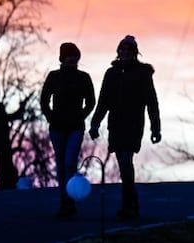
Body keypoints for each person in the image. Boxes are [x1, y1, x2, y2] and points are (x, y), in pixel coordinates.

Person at [89, 34, 161, 219]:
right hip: (116, 124)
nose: (125, 52)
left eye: (129, 50)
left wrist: (155, 128)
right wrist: (95, 123)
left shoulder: (142, 73)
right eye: (123, 49)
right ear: (118, 51)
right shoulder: (111, 73)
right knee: (123, 164)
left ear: (135, 53)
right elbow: (103, 101)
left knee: (126, 162)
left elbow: (152, 102)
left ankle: (130, 203)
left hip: (133, 124)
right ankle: (130, 203)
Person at [40, 42, 95, 218]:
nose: (72, 59)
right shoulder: (54, 77)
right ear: (62, 58)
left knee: (70, 162)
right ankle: (64, 200)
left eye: (74, 56)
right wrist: (51, 117)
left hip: (75, 128)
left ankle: (69, 200)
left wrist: (81, 116)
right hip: (57, 128)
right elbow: (44, 100)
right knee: (61, 164)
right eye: (68, 56)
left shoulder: (83, 78)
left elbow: (91, 101)